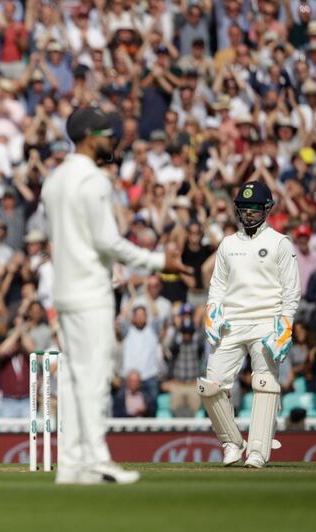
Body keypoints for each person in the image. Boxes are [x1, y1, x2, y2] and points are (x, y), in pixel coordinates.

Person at [40, 107, 190, 485]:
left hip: (64, 292)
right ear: (90, 137)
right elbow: (107, 241)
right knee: (93, 379)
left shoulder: (53, 180)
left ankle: (71, 466)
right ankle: (97, 459)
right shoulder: (95, 180)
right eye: (107, 134)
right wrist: (160, 261)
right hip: (91, 291)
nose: (112, 140)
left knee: (74, 379)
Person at [199, 180, 300, 469]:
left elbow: (291, 289)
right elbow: (217, 284)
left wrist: (286, 322)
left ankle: (258, 450)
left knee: (265, 383)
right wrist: (213, 311)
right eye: (244, 208)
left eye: (255, 208)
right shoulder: (228, 244)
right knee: (210, 385)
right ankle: (231, 442)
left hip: (267, 321)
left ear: (267, 209)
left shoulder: (279, 243)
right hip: (231, 322)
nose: (249, 213)